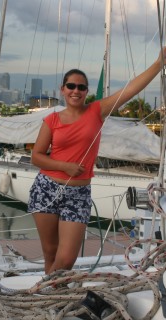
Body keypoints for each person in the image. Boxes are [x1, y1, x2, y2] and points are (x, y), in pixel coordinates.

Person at [28, 48, 166, 275]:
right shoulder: (52, 120)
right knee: (50, 252)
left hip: (78, 194)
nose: (76, 91)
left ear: (86, 92)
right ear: (63, 90)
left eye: (81, 87)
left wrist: (159, 63)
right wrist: (65, 166)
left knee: (67, 258)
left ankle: (50, 288)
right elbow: (37, 156)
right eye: (71, 86)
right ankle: (50, 295)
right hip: (46, 189)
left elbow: (130, 89)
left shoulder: (96, 111)